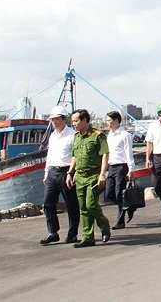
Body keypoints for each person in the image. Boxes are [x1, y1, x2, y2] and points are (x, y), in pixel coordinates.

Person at [65, 109, 111, 247]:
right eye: (72, 121)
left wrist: (102, 174)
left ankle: (104, 226)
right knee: (83, 207)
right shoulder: (77, 136)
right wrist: (70, 172)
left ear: (85, 120)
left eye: (76, 121)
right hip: (80, 176)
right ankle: (88, 237)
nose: (74, 124)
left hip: (93, 175)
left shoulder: (98, 135)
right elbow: (75, 156)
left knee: (91, 204)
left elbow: (105, 154)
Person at [39, 105, 80, 245]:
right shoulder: (52, 136)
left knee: (71, 204)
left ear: (64, 119)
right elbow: (49, 155)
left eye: (56, 119)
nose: (54, 122)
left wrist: (71, 173)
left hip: (67, 171)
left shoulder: (72, 135)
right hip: (52, 172)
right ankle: (53, 232)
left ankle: (72, 233)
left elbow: (76, 155)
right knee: (48, 203)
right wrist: (46, 172)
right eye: (52, 120)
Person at [104, 111, 135, 230]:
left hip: (122, 166)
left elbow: (129, 153)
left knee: (119, 193)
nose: (107, 123)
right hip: (111, 167)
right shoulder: (109, 135)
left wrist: (131, 169)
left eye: (109, 120)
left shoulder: (124, 135)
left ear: (116, 120)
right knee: (109, 193)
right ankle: (129, 206)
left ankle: (120, 221)